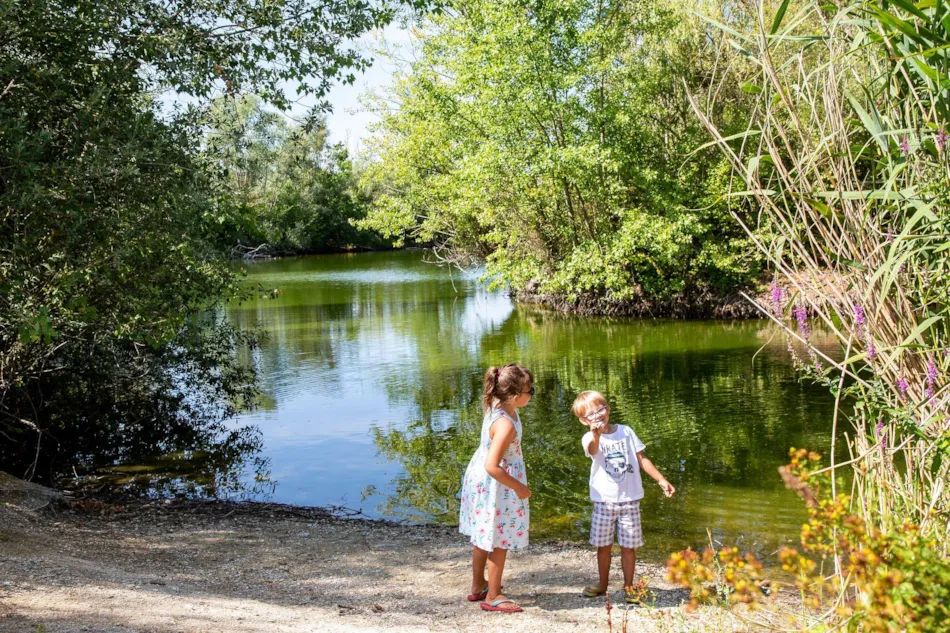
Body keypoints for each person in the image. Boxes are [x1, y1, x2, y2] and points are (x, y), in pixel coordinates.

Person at [573, 390, 675, 604]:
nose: (597, 416)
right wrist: (596, 434)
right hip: (604, 502)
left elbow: (641, 458)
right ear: (584, 420)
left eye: (600, 409)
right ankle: (602, 584)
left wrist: (661, 479)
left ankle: (629, 586)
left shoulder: (626, 432)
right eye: (591, 414)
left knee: (629, 546)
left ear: (607, 409)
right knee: (604, 546)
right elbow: (592, 451)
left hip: (630, 500)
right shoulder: (589, 437)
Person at [458, 363, 534, 613]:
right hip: (497, 482)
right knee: (499, 538)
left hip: (481, 479)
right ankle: (493, 595)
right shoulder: (506, 424)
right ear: (513, 396)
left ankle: (478, 584)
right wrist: (519, 488)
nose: (531, 394)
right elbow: (493, 466)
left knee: (483, 535)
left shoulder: (497, 404)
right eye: (529, 391)